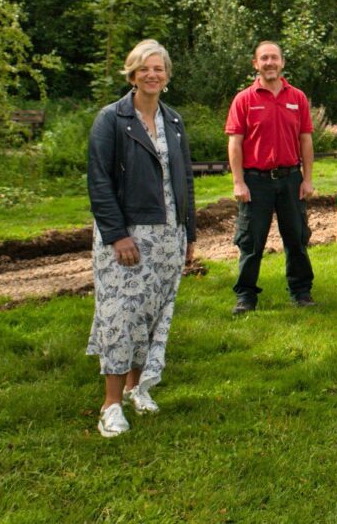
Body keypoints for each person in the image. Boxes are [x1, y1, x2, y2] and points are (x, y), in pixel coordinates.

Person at [87, 39, 195, 437]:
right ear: (132, 74)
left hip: (169, 235)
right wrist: (117, 236)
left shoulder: (175, 121)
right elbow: (98, 181)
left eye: (159, 68)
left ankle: (137, 388)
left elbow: (184, 181)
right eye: (144, 69)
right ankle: (111, 404)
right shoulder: (111, 119)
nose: (152, 75)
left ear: (166, 76)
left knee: (152, 316)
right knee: (120, 316)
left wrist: (190, 234)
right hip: (128, 236)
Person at [226, 41, 315, 314]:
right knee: (251, 241)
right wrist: (238, 182)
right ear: (256, 64)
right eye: (264, 58)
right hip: (256, 182)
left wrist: (307, 178)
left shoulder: (297, 97)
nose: (269, 63)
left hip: (290, 179)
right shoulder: (244, 99)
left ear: (282, 63)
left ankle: (301, 292)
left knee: (296, 238)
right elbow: (235, 143)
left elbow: (306, 140)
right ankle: (246, 297)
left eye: (274, 58)